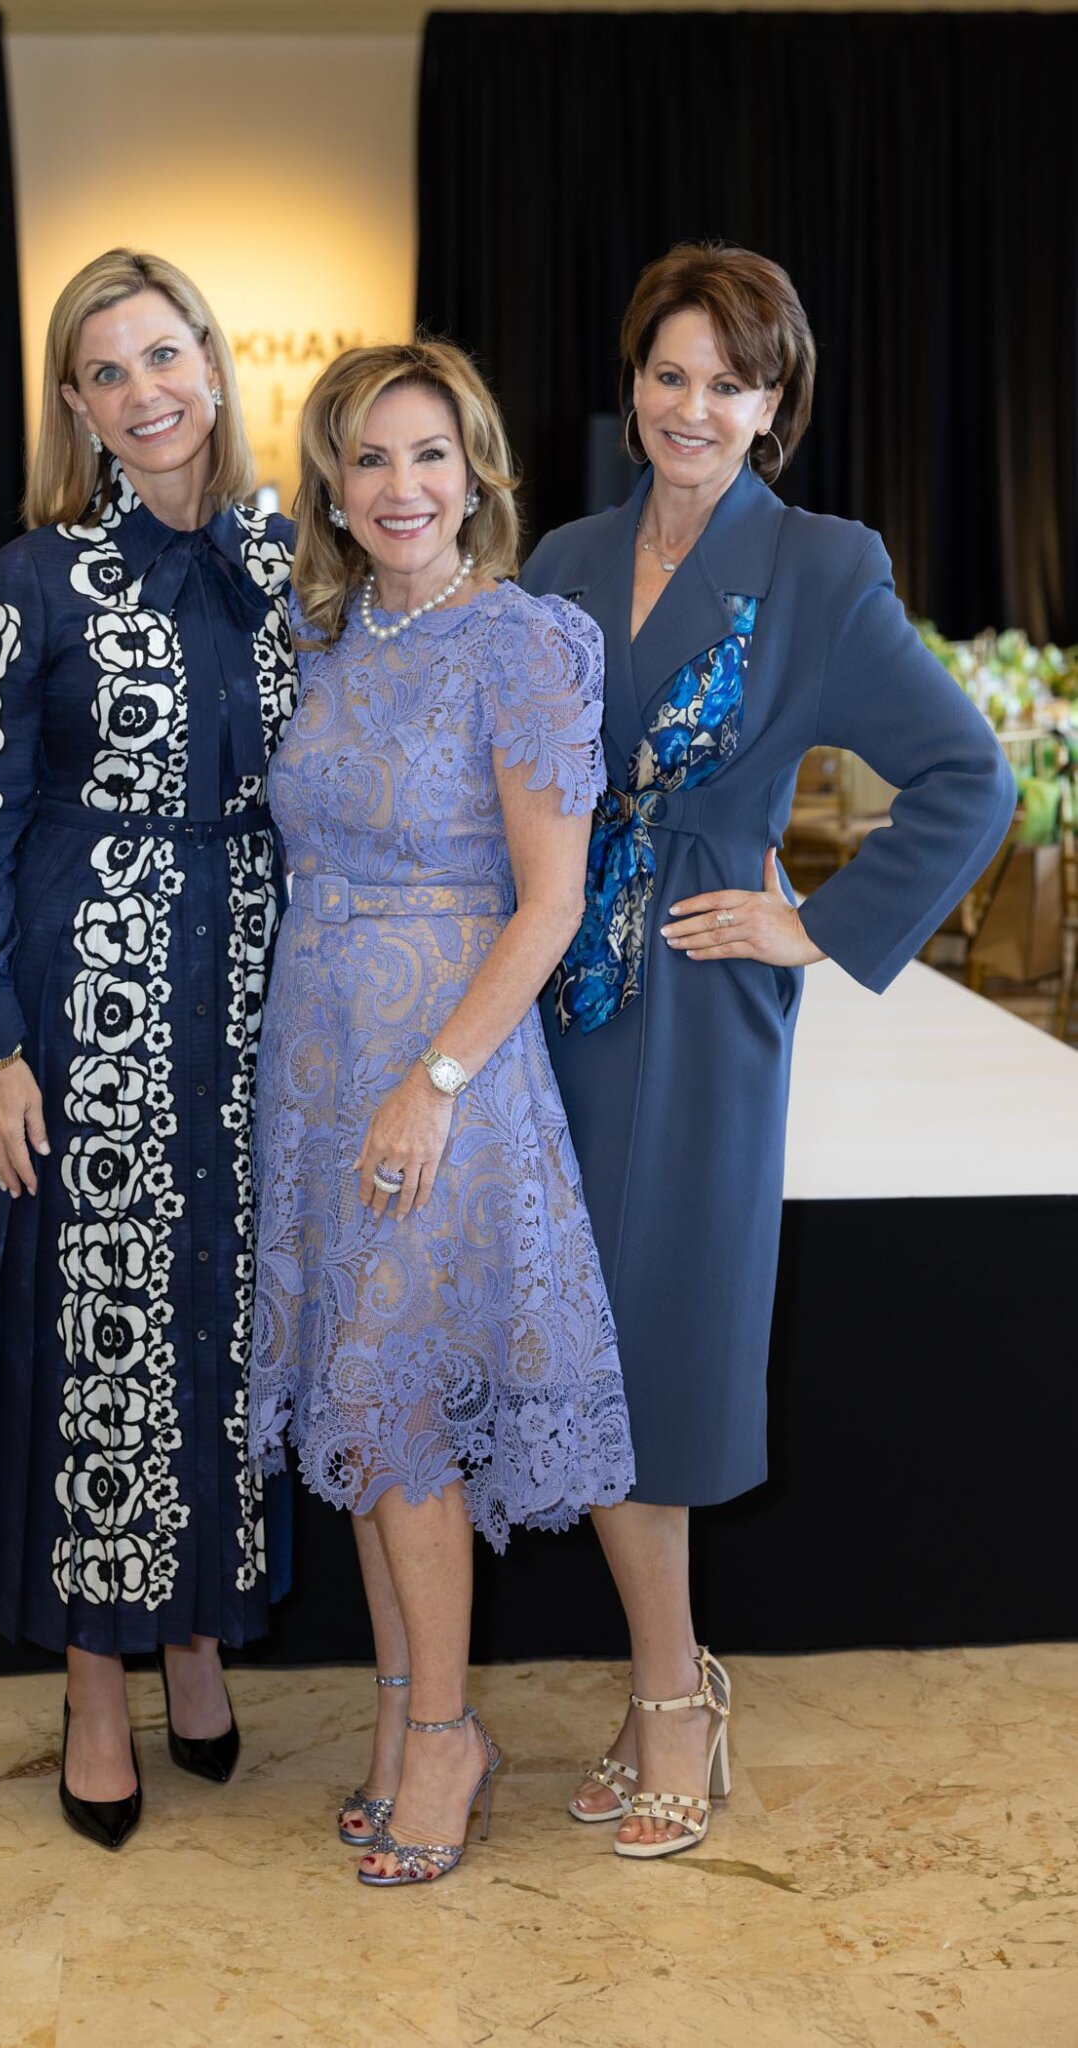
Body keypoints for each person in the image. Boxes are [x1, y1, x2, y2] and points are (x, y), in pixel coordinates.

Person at [520, 241, 1016, 1860]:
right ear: (631, 385)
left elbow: (965, 777)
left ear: (773, 402)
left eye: (727, 381)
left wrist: (815, 925)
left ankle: (672, 1690)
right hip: (545, 998)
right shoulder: (566, 555)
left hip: (693, 1000)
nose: (691, 406)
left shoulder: (816, 564)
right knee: (575, 1343)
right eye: (667, 373)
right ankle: (665, 1673)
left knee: (651, 1342)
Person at [247, 340, 635, 1888]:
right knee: (357, 1399)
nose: (398, 488)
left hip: (445, 1072)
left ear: (476, 467)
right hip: (315, 1062)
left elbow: (545, 908)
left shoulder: (526, 644)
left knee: (406, 1413)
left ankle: (449, 1738)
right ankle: (405, 1713)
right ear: (331, 491)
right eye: (366, 459)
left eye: (427, 455)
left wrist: (433, 1084)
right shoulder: (324, 644)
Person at [0, 248, 296, 1851]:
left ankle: (201, 1637)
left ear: (212, 366)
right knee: (100, 1346)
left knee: (224, 1328)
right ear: (76, 408)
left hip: (256, 1003)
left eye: (167, 354)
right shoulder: (33, 576)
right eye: (107, 370)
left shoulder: (292, 555)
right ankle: (97, 1681)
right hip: (86, 999)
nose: (145, 389)